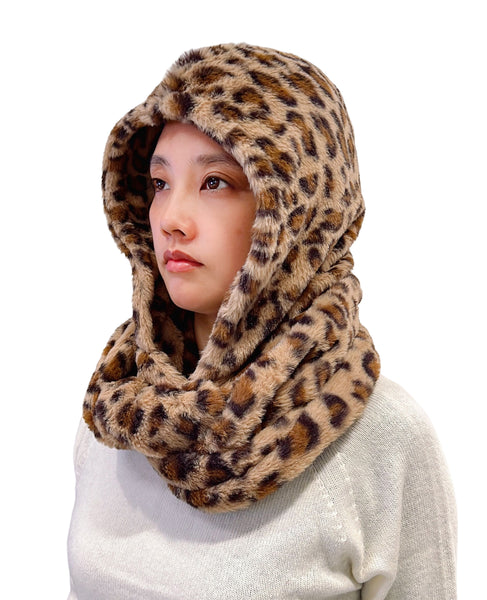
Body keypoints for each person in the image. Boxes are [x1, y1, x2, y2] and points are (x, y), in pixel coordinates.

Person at [67, 43, 456, 599]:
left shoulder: (383, 440)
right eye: (159, 183)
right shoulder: (117, 409)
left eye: (215, 182)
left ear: (297, 211)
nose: (171, 218)